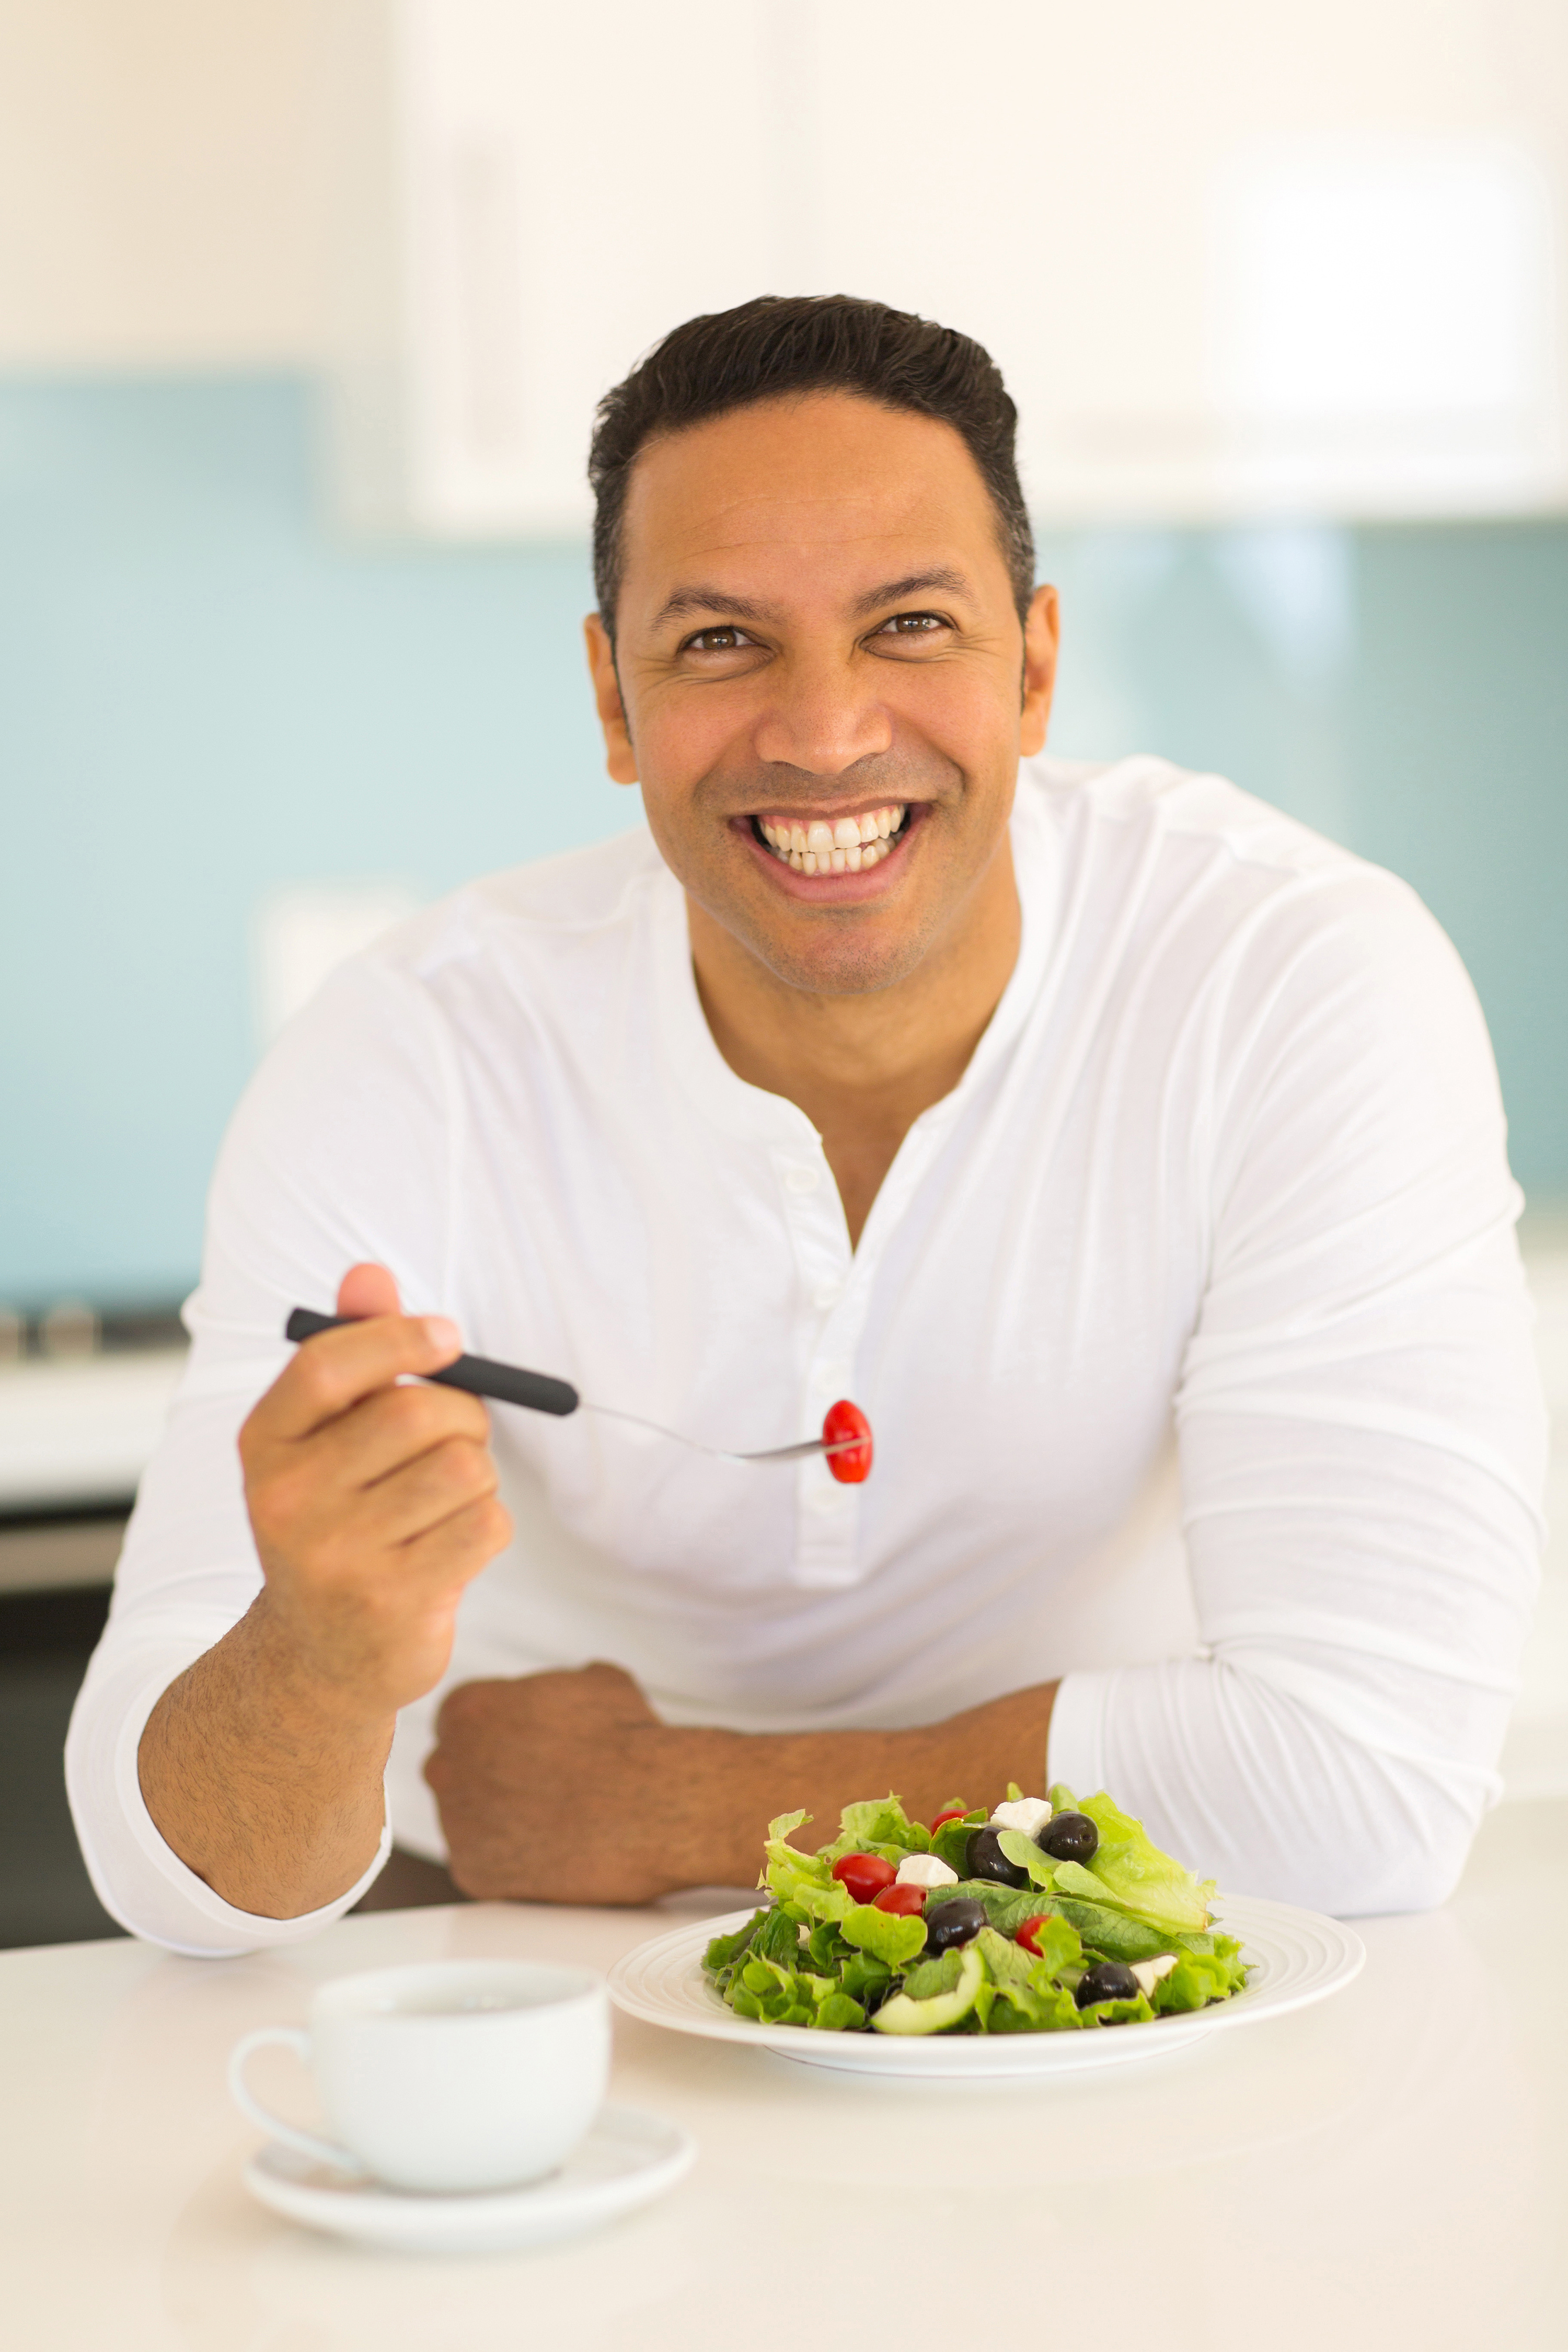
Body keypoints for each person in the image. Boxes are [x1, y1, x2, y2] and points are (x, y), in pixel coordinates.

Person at [67, 295, 1546, 1955]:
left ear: (1036, 666)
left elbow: (1369, 1782)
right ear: (613, 701)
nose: (828, 731)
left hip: (1103, 1943)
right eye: (718, 642)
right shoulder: (411, 1052)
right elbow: (164, 1874)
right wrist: (317, 1662)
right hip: (515, 1938)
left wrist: (672, 1805)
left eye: (910, 624)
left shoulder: (1289, 977)